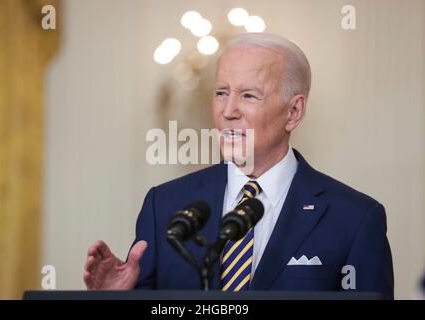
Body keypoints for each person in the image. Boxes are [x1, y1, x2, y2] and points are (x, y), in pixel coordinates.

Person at [83, 33, 394, 299]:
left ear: (294, 112)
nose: (228, 110)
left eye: (248, 95)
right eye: (221, 93)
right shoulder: (164, 205)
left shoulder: (355, 219)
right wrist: (115, 300)